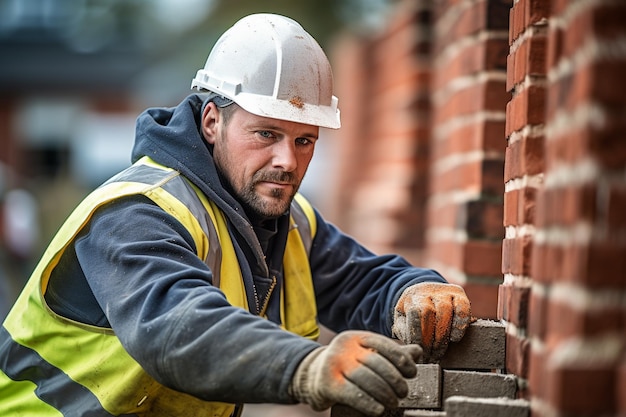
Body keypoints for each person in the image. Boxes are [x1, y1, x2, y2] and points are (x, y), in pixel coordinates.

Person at [0, 13, 472, 417]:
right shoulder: (137, 212)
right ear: (212, 121)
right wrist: (306, 367)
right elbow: (179, 329)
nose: (288, 161)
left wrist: (414, 292)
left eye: (305, 140)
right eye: (266, 134)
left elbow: (357, 280)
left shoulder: (286, 221)